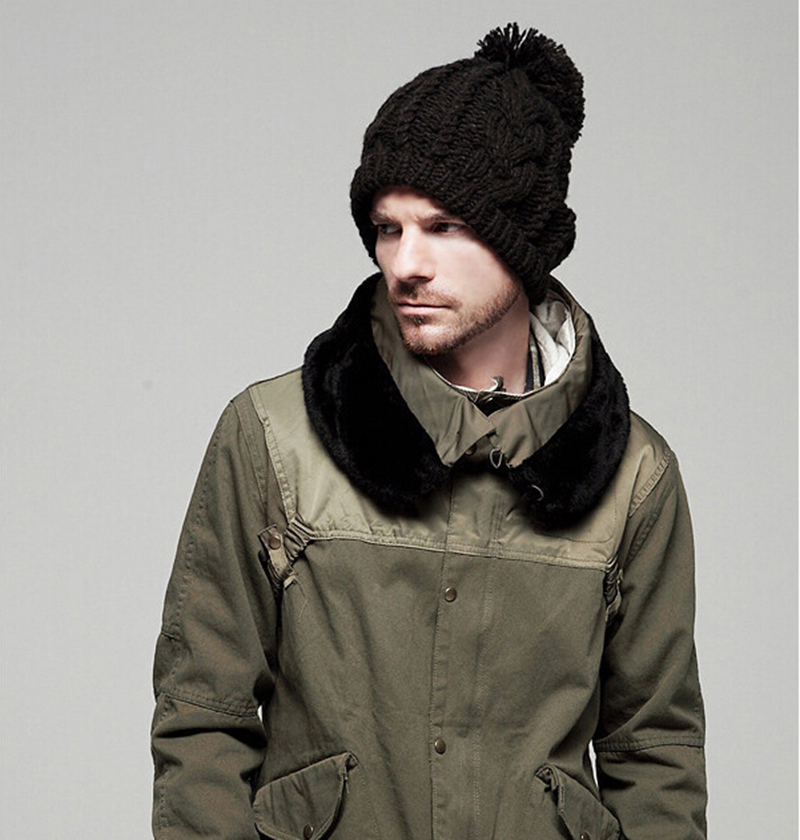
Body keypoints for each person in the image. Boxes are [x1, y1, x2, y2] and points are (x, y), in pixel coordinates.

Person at [151, 23, 707, 840]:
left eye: (444, 226)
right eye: (389, 227)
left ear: (524, 241)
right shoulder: (271, 436)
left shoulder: (634, 476)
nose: (406, 263)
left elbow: (655, 749)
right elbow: (202, 714)